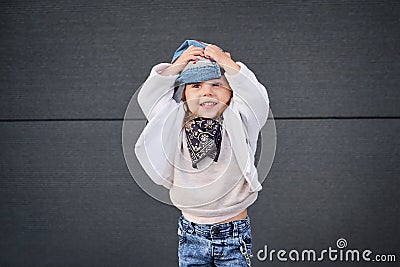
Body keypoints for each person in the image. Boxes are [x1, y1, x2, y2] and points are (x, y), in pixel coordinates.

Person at [135, 40, 270, 267]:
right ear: (185, 95)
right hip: (190, 234)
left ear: (230, 94)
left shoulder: (239, 118)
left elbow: (256, 98)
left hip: (233, 234)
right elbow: (149, 98)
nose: (207, 91)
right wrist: (177, 66)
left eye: (217, 85)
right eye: (196, 86)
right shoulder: (173, 121)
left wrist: (227, 62)